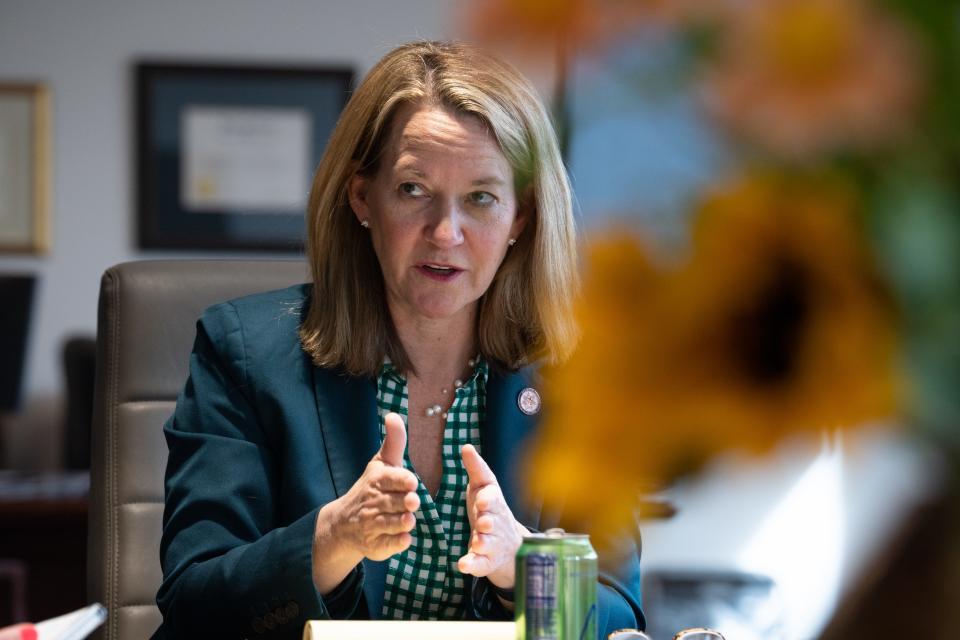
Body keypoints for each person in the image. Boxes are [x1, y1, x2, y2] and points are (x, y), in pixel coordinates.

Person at [155, 40, 644, 639]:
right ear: (363, 197)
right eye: (414, 190)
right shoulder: (244, 353)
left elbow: (621, 611)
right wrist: (330, 541)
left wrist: (528, 568)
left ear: (520, 218)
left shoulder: (578, 375)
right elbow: (192, 605)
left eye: (482, 198)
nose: (446, 233)